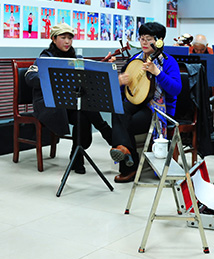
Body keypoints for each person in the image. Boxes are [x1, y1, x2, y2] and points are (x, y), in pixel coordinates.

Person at [25, 23, 113, 174]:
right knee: (84, 109)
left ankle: (76, 157)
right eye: (63, 37)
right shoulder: (45, 57)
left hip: (69, 104)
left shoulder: (76, 58)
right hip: (50, 105)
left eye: (70, 38)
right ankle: (107, 133)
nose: (67, 41)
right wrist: (53, 78)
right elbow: (30, 77)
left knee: (82, 116)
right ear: (54, 39)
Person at [110, 22, 182, 183]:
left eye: (148, 39)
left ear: (159, 40)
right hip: (136, 102)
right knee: (118, 109)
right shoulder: (135, 60)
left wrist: (157, 73)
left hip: (157, 108)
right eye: (141, 38)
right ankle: (125, 152)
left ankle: (128, 165)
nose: (143, 42)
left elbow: (176, 89)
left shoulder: (168, 62)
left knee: (126, 122)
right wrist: (120, 82)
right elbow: (126, 90)